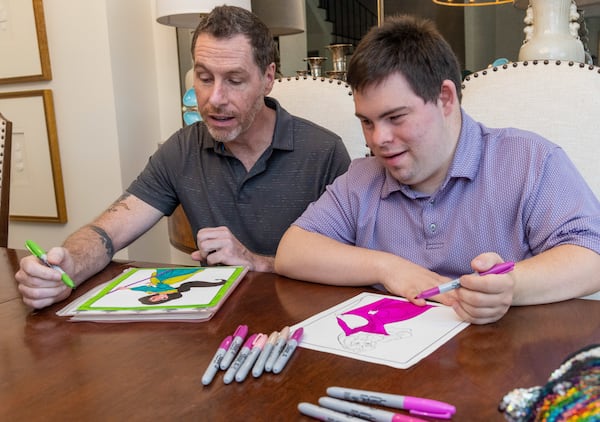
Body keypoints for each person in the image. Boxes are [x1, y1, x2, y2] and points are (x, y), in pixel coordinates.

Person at [15, 5, 350, 309]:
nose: (215, 98)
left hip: (305, 322)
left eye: (234, 80)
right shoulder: (180, 150)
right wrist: (67, 264)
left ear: (267, 78)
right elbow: (107, 233)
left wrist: (256, 261)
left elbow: (352, 265)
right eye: (204, 78)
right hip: (214, 331)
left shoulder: (324, 151)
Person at [274, 14, 600, 325]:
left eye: (396, 117)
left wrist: (511, 286)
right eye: (367, 122)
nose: (378, 140)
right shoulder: (362, 179)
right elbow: (292, 252)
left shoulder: (528, 160)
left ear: (445, 98)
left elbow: (591, 256)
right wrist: (387, 268)